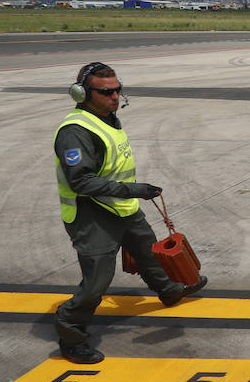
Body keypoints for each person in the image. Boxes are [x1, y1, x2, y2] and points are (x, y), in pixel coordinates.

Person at [53, 62, 206, 363]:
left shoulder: (108, 118)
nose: (115, 96)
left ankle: (169, 290)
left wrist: (131, 195)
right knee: (98, 280)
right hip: (91, 212)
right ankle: (71, 332)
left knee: (147, 251)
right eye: (106, 91)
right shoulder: (75, 132)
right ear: (82, 94)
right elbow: (81, 181)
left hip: (121, 205)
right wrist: (137, 190)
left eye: (118, 89)